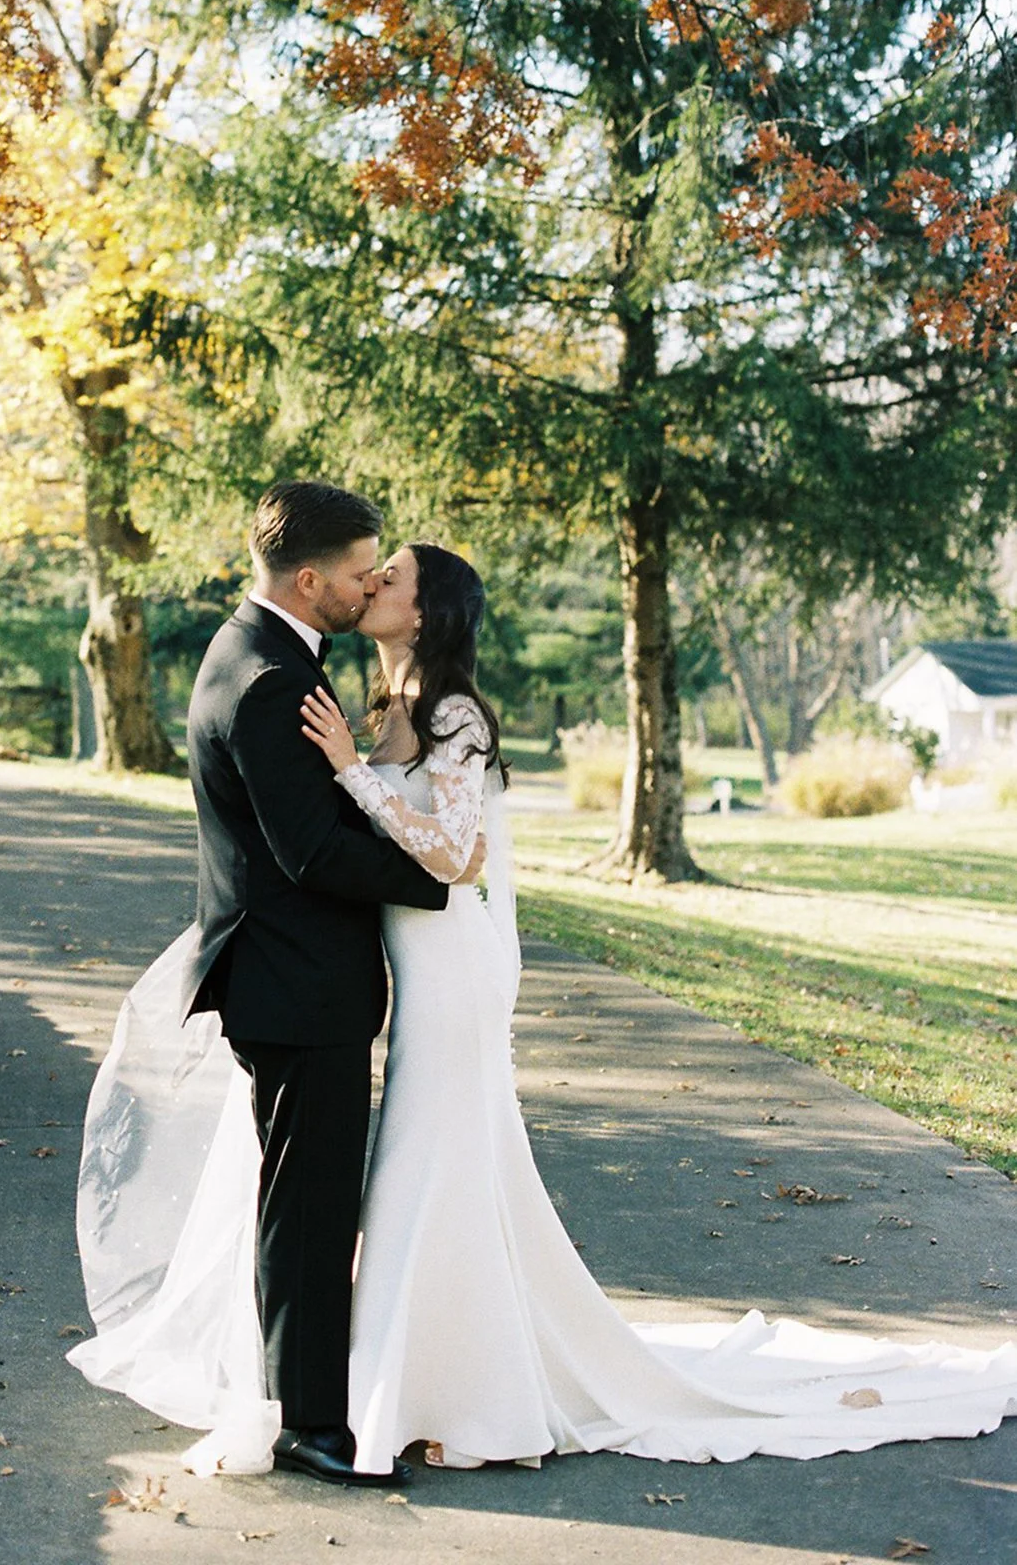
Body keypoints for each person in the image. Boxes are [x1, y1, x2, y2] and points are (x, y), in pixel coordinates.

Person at [69, 528, 1017, 1481]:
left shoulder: (456, 717)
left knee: (433, 1152)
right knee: (417, 1158)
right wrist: (355, 764)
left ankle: (452, 1388)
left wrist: (353, 772)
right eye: (370, 573)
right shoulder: (384, 703)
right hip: (405, 954)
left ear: (425, 611)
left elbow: (453, 856)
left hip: (451, 965)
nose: (372, 588)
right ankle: (403, 1376)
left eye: (388, 579)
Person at [69, 481, 465, 1488]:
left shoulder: (259, 649)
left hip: (289, 980)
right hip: (296, 985)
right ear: (307, 579)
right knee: (309, 1208)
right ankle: (309, 1422)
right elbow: (309, 852)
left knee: (306, 1199)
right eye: (357, 571)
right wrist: (437, 878)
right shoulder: (269, 680)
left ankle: (306, 1400)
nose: (368, 583)